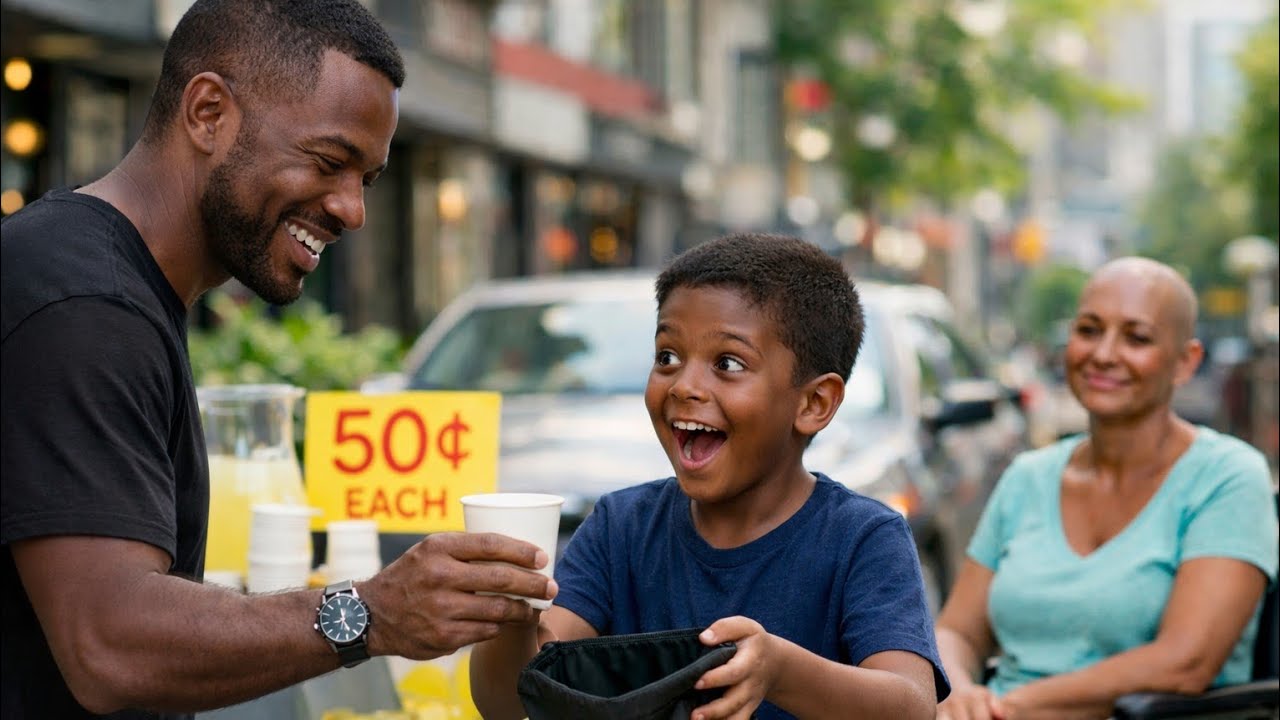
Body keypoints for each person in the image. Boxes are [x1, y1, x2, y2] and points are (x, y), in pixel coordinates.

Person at [0, 2, 555, 718]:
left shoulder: (104, 284)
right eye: (328, 162)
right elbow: (111, 644)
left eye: (366, 179)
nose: (352, 210)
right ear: (208, 113)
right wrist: (371, 613)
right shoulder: (87, 306)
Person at [470, 233, 949, 720]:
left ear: (813, 403)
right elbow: (510, 702)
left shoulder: (863, 538)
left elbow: (912, 706)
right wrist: (512, 615)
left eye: (727, 364)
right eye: (668, 357)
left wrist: (781, 671)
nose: (684, 386)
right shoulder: (621, 527)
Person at [934, 257, 1279, 720]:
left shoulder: (1228, 477)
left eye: (1137, 338)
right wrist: (959, 694)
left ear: (1186, 361)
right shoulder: (1028, 477)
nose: (1104, 354)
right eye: (1089, 330)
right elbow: (956, 632)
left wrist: (1008, 709)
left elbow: (1185, 663)